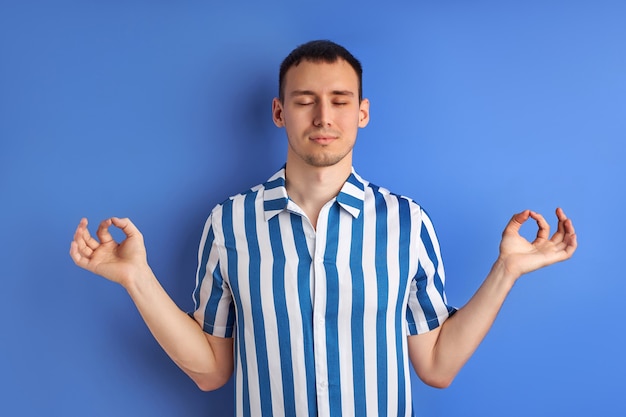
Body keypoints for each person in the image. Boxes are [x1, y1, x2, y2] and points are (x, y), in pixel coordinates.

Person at [70, 40, 577, 417]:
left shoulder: (407, 223)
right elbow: (211, 371)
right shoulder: (228, 224)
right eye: (304, 99)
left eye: (339, 99)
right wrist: (137, 277)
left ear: (362, 113)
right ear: (279, 111)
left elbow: (437, 366)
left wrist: (506, 271)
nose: (323, 116)